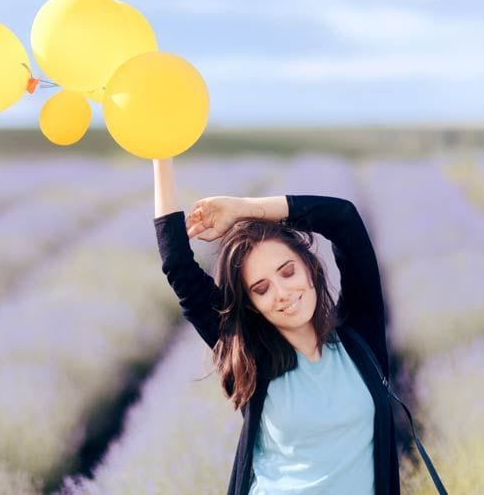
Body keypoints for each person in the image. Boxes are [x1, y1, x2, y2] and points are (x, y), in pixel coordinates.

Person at [152, 157, 400, 495]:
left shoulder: (360, 337)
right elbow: (178, 266)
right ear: (251, 304)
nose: (283, 293)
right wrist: (159, 152)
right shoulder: (252, 356)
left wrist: (243, 209)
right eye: (261, 289)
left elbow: (344, 219)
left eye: (287, 271)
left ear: (310, 268)